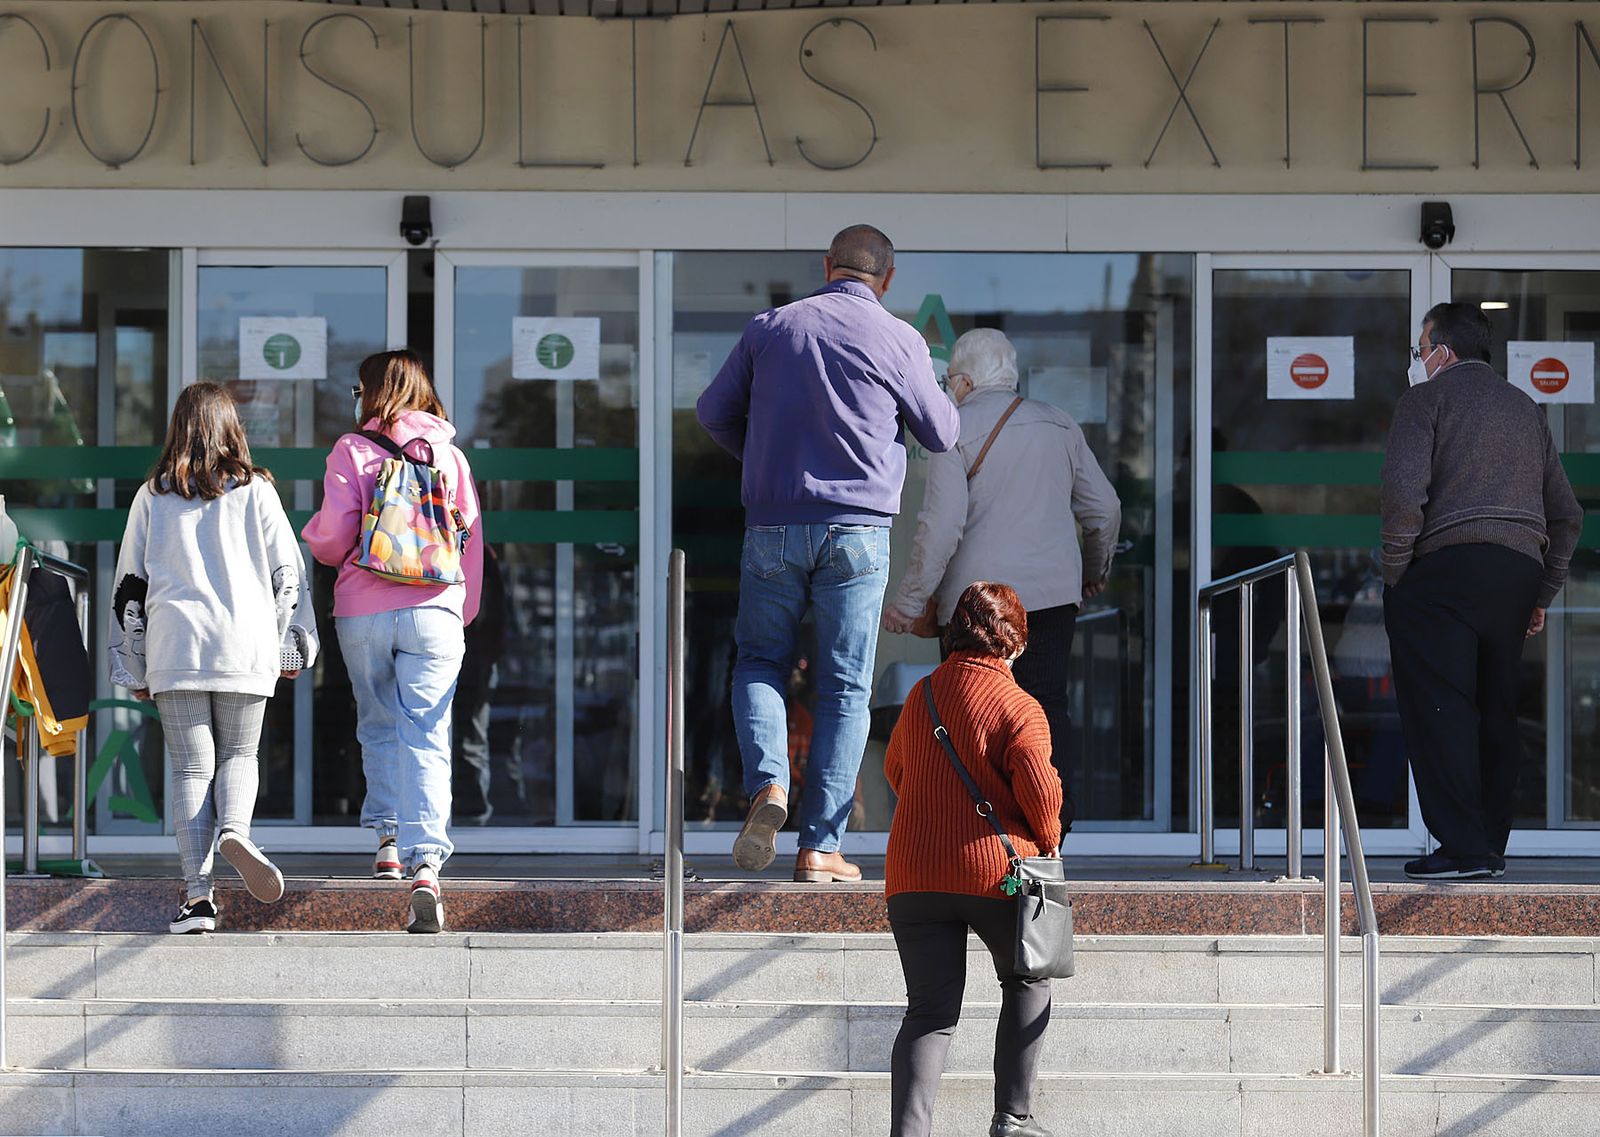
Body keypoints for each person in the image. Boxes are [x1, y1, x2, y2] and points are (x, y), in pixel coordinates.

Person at [696, 224, 961, 882]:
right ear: (888, 280)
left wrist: (761, 459)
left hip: (773, 524)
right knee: (844, 688)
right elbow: (943, 431)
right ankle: (820, 847)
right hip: (858, 531)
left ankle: (768, 787)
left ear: (827, 265)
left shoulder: (771, 328)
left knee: (760, 660)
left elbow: (711, 411)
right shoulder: (900, 338)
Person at [883, 328, 1120, 834]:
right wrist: (1093, 572)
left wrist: (909, 602)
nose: (948, 392)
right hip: (1052, 599)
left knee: (971, 712)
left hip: (978, 605)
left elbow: (941, 526)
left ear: (965, 382)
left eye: (949, 383)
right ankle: (1052, 822)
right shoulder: (1059, 424)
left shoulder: (953, 429)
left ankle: (980, 828)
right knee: (1045, 704)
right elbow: (1104, 509)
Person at [1381, 302, 1582, 880]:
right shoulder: (1526, 409)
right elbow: (1567, 515)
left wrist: (1397, 575)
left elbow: (1402, 496)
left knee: (1441, 706)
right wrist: (1541, 593)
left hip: (1445, 571)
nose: (1417, 362)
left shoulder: (1424, 400)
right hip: (1516, 574)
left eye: (1420, 350)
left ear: (1442, 352)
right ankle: (1490, 846)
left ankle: (1463, 849)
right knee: (1496, 709)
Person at [108, 382, 318, 934]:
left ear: (177, 426)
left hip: (176, 646)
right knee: (240, 755)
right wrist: (290, 642)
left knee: (192, 767)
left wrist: (132, 661)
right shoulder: (258, 492)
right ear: (233, 428)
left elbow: (130, 581)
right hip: (244, 644)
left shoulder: (152, 494)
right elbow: (288, 576)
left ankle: (198, 900)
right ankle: (238, 832)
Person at [303, 349, 484, 932]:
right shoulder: (451, 456)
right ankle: (427, 862)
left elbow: (330, 543)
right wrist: (461, 611)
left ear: (372, 393)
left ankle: (386, 839)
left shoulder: (351, 451)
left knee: (378, 721)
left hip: (364, 609)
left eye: (358, 392)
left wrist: (318, 535)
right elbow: (470, 541)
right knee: (427, 730)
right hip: (436, 609)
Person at [884, 581, 1062, 1137]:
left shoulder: (921, 695)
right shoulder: (1018, 705)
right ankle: (1013, 1118)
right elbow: (1042, 799)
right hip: (996, 874)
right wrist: (1049, 836)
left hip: (913, 876)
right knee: (1028, 979)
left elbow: (895, 771)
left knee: (929, 1013)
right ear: (1013, 643)